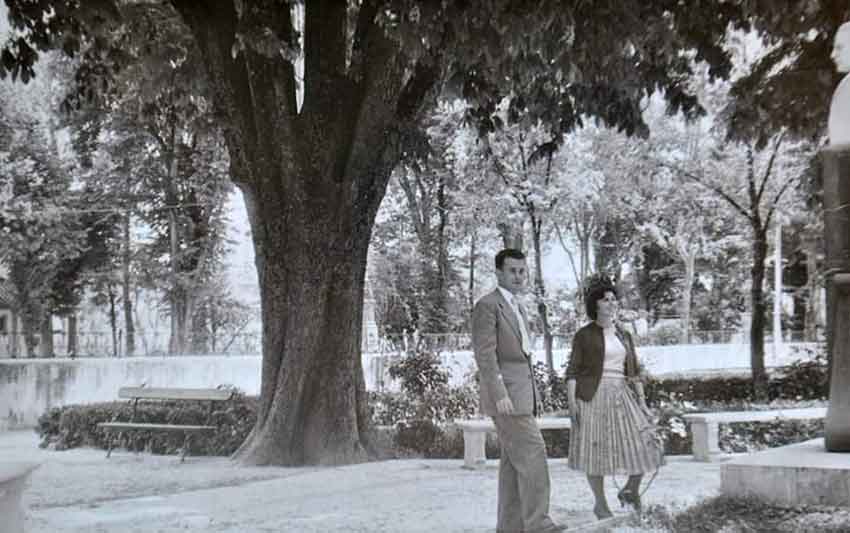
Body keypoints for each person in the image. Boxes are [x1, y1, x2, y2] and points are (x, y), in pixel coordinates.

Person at [472, 248, 566, 533]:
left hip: (522, 395)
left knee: (513, 465)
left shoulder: (518, 306)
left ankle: (510, 527)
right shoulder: (488, 305)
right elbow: (485, 355)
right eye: (512, 270)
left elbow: (522, 356)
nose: (518, 276)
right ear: (498, 273)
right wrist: (500, 393)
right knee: (534, 454)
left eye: (522, 271)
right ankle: (538, 524)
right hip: (507, 399)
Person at [565, 277, 663, 519]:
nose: (612, 303)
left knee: (647, 442)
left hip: (622, 394)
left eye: (614, 299)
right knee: (595, 452)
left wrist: (642, 404)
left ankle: (630, 489)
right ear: (595, 306)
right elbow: (572, 372)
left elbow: (634, 373)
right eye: (606, 300)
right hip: (592, 396)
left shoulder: (624, 335)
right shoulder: (584, 335)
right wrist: (572, 405)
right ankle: (600, 504)